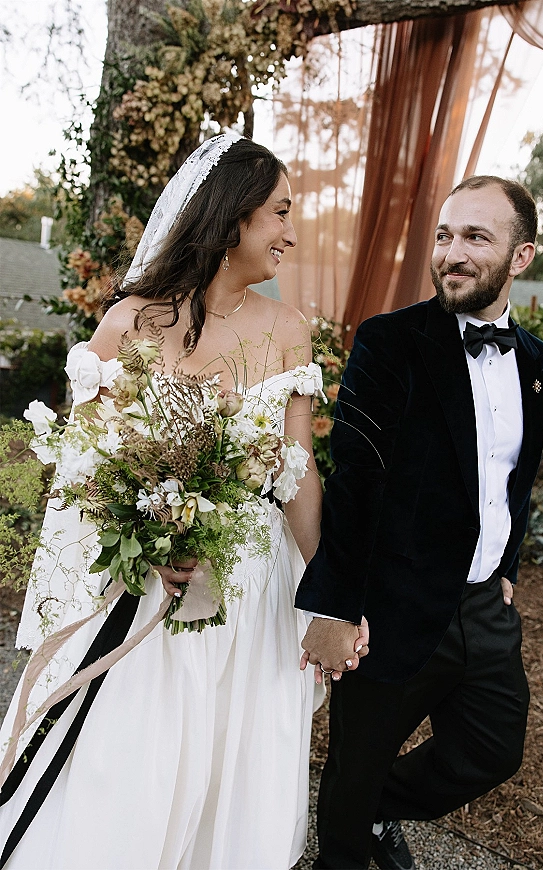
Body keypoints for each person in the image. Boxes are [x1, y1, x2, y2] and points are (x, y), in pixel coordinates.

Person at [0, 133, 363, 870]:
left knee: (233, 761)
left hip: (250, 589)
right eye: (279, 213)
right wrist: (146, 536)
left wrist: (333, 596)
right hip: (141, 589)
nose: (291, 234)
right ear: (231, 220)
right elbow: (84, 467)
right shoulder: (132, 321)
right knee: (134, 758)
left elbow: (297, 476)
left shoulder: (289, 332)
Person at [296, 176, 543, 870]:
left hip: (484, 608)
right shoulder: (389, 342)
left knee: (493, 750)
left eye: (476, 236)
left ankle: (384, 809)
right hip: (393, 606)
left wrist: (505, 570)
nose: (452, 252)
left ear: (521, 257)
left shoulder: (535, 359)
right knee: (353, 772)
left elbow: (513, 477)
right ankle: (350, 844)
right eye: (444, 235)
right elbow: (356, 480)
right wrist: (337, 606)